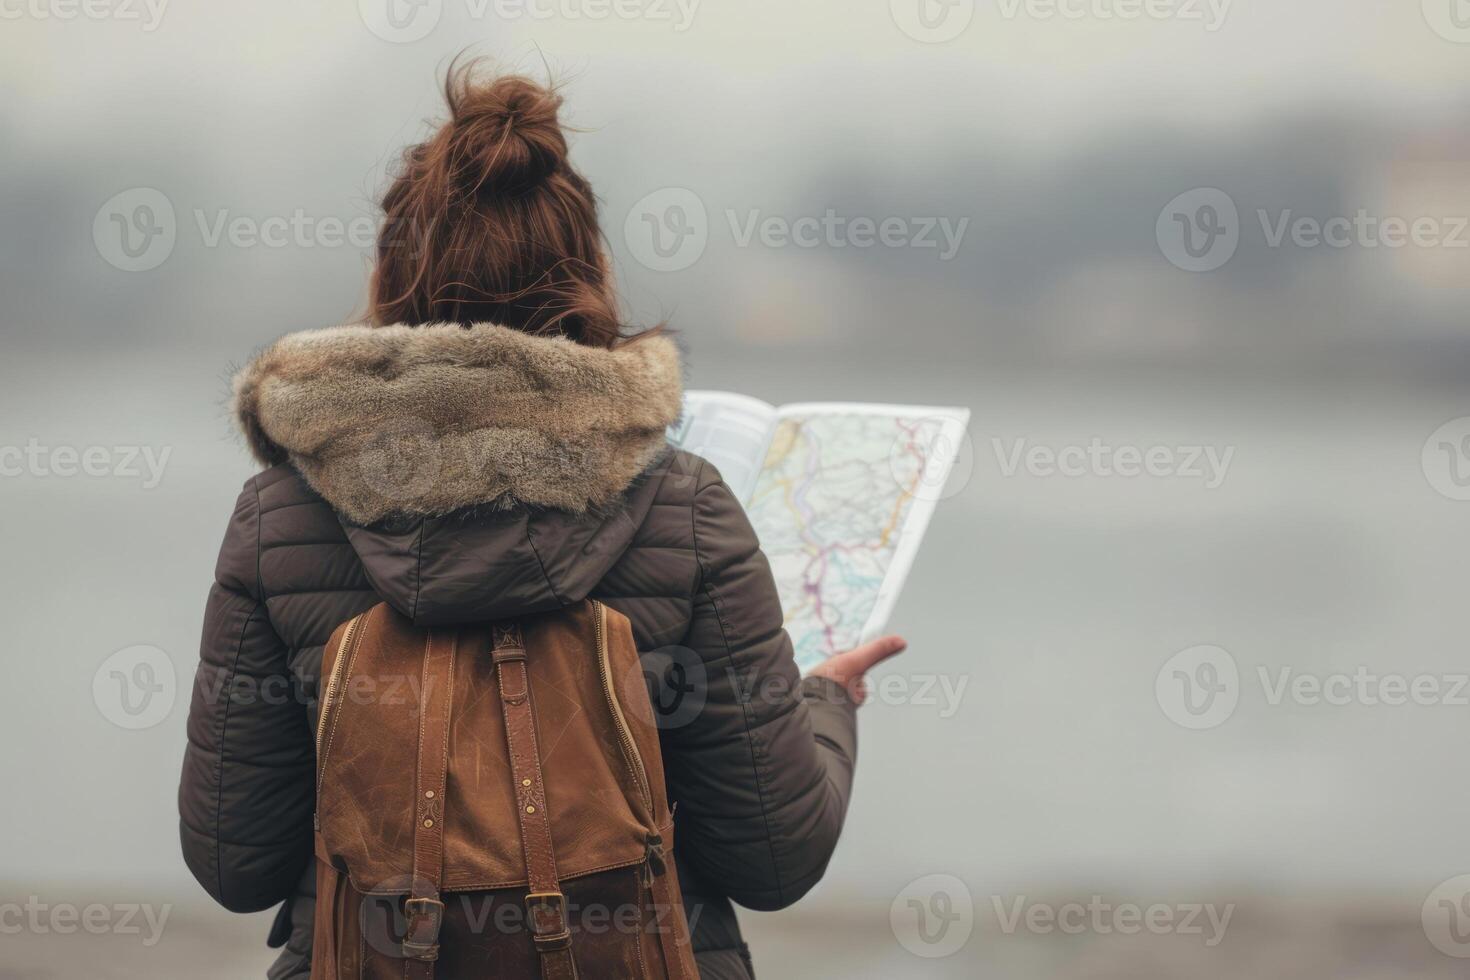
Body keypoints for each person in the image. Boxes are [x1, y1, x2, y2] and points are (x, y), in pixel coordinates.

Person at [177, 61, 905, 980]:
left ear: (391, 277)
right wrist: (825, 701)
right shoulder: (688, 508)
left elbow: (233, 863)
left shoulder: (281, 518)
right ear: (589, 275)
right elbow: (773, 858)